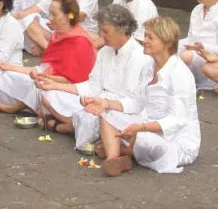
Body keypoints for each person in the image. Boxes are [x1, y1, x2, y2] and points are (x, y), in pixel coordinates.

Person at [84, 16, 200, 176]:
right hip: (146, 124)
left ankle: (126, 151)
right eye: (145, 35)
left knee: (144, 138)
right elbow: (136, 102)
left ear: (166, 42)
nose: (144, 40)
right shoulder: (148, 66)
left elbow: (177, 119)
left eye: (150, 37)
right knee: (107, 114)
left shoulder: (179, 73)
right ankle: (113, 158)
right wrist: (106, 103)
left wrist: (140, 128)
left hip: (175, 140)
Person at [37, 3, 151, 150]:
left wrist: (103, 103)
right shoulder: (105, 51)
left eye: (105, 31)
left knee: (98, 118)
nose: (101, 36)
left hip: (119, 109)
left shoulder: (140, 57)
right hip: (97, 102)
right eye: (100, 31)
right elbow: (92, 86)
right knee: (48, 94)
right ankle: (71, 125)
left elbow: (132, 101)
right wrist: (54, 85)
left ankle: (65, 126)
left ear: (122, 30)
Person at [0, 0, 96, 116]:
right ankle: (32, 106)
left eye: (54, 14)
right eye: (50, 13)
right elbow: (46, 69)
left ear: (67, 16)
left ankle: (14, 108)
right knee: (7, 76)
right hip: (48, 81)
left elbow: (73, 81)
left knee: (42, 88)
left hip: (69, 91)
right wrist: (10, 67)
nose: (50, 18)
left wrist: (46, 78)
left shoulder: (79, 41)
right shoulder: (57, 35)